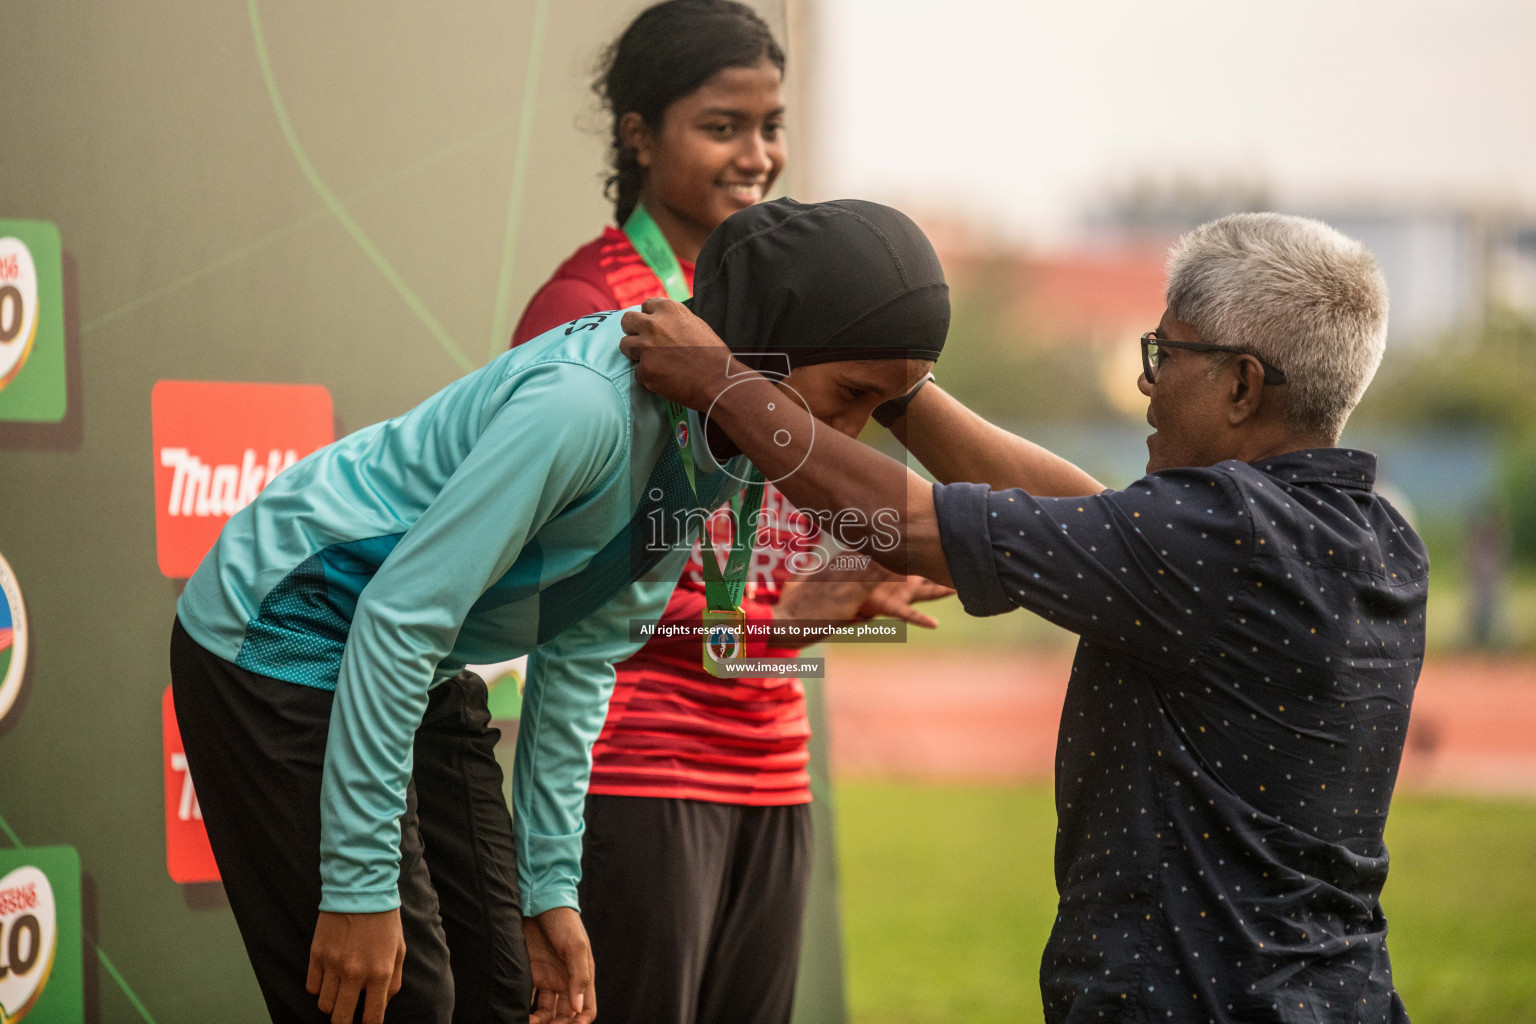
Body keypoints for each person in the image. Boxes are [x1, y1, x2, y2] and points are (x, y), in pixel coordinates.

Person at [621, 211, 1426, 1024]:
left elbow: (909, 525)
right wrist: (894, 387)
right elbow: (1083, 511)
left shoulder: (1220, 537)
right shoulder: (1376, 539)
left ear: (1242, 384)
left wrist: (719, 381)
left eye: (1165, 354)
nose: (1148, 383)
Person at [169, 195, 948, 1024]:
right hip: (282, 628)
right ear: (771, 341)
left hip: (405, 657)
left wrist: (551, 892)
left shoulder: (728, 441)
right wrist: (358, 885)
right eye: (852, 394)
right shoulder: (584, 409)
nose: (853, 435)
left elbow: (585, 651)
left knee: (506, 993)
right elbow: (397, 617)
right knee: (399, 1002)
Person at [512, 7, 947, 1022]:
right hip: (628, 765)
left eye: (773, 124)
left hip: (771, 766)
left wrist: (811, 608)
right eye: (723, 126)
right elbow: (572, 582)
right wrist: (763, 615)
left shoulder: (793, 311)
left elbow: (734, 596)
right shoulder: (592, 304)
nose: (758, 156)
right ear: (638, 134)